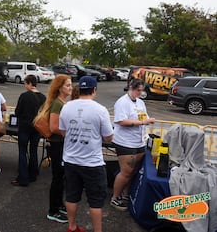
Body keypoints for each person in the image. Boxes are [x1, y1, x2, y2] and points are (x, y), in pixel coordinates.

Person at [59, 76, 114, 232]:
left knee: (71, 196)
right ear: (94, 90)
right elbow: (109, 136)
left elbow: (63, 131)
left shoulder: (67, 106)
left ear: (79, 89)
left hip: (70, 160)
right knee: (95, 201)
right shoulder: (100, 110)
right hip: (92, 163)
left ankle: (72, 227)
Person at [110, 78, 155, 211]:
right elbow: (121, 121)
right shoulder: (122, 102)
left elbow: (143, 117)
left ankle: (125, 195)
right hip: (125, 142)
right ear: (130, 87)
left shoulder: (140, 102)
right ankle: (115, 198)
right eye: (137, 90)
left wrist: (147, 121)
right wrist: (142, 123)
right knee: (126, 172)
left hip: (139, 140)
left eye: (141, 90)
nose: (139, 93)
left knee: (133, 171)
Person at [36, 75, 73, 223]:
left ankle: (59, 205)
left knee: (61, 177)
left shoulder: (63, 102)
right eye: (67, 85)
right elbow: (53, 127)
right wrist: (70, 131)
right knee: (58, 178)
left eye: (70, 85)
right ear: (59, 88)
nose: (70, 88)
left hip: (61, 145)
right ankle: (53, 210)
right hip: (57, 145)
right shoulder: (58, 104)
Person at [11, 74, 46, 186]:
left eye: (25, 83)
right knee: (34, 150)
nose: (25, 86)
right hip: (37, 128)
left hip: (25, 127)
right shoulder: (43, 97)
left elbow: (17, 112)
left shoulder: (24, 96)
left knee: (22, 151)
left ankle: (23, 177)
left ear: (29, 83)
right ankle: (33, 174)